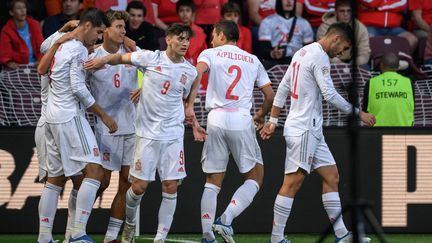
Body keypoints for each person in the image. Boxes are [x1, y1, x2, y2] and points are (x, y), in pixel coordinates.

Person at [84, 23, 205, 243]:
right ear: (168, 39)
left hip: (173, 135)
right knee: (138, 187)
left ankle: (160, 238)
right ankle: (129, 224)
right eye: (180, 38)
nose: (185, 43)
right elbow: (120, 59)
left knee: (170, 185)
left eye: (187, 40)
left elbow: (185, 100)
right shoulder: (150, 58)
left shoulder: (189, 71)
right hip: (147, 134)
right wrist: (101, 60)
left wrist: (194, 122)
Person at [259, 22, 376, 243]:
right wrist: (358, 113)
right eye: (344, 48)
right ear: (336, 39)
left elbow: (283, 88)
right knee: (292, 182)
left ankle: (341, 235)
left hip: (311, 129)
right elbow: (329, 94)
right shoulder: (320, 57)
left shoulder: (301, 53)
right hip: (304, 128)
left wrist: (273, 120)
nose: (342, 53)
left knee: (332, 176)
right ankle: (275, 239)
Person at [185, 20, 275, 243]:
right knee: (256, 177)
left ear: (222, 36)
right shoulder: (252, 59)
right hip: (241, 119)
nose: (211, 39)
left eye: (213, 35)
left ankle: (207, 235)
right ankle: (226, 219)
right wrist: (261, 115)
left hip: (215, 117)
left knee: (212, 181)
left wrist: (189, 103)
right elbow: (270, 96)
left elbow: (197, 73)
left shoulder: (210, 53)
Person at [43, 8, 117, 243]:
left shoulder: (61, 44)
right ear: (86, 26)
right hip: (70, 116)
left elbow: (44, 52)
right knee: (95, 170)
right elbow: (78, 88)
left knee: (55, 178)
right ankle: (77, 233)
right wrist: (104, 115)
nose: (98, 38)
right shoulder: (76, 50)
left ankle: (44, 237)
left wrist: (63, 33)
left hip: (51, 117)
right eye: (98, 32)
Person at [86, 10, 139, 243]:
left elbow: (156, 71)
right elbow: (79, 93)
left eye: (124, 28)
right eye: (118, 26)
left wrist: (145, 86)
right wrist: (102, 116)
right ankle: (75, 228)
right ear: (105, 29)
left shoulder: (131, 53)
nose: (123, 31)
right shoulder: (91, 57)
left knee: (127, 182)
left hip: (132, 127)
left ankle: (110, 237)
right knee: (101, 181)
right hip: (106, 129)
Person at [36, 20, 83, 243]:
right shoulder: (63, 55)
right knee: (75, 180)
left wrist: (63, 31)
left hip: (50, 123)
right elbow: (46, 47)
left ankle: (49, 236)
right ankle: (71, 234)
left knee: (57, 180)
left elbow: (46, 47)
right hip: (57, 122)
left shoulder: (57, 53)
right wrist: (63, 32)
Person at [363, 52, 414, 127]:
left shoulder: (371, 83)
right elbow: (411, 106)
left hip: (377, 133)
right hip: (404, 132)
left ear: (381, 65)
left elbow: (365, 112)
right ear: (398, 67)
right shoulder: (409, 82)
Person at [258, 0, 313, 68]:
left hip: (299, 63)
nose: (289, 1)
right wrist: (272, 53)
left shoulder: (304, 23)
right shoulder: (267, 22)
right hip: (276, 62)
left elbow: (310, 50)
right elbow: (263, 49)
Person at [316, 0, 370, 66]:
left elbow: (364, 53)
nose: (346, 14)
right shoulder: (325, 27)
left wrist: (352, 65)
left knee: (366, 69)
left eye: (349, 11)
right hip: (330, 62)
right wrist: (340, 65)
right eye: (342, 11)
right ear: (335, 12)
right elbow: (323, 51)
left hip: (354, 62)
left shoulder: (360, 28)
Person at [0, 0, 44, 69]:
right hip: (18, 67)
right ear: (11, 12)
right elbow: (5, 52)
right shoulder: (6, 30)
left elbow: (42, 46)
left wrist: (40, 60)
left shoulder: (34, 24)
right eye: (18, 8)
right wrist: (9, 62)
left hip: (36, 66)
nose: (22, 11)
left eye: (24, 7)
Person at [176, 0, 207, 65]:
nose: (184, 14)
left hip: (197, 63)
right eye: (181, 11)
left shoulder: (199, 31)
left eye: (187, 11)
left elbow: (204, 52)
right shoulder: (173, 31)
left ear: (192, 13)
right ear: (177, 13)